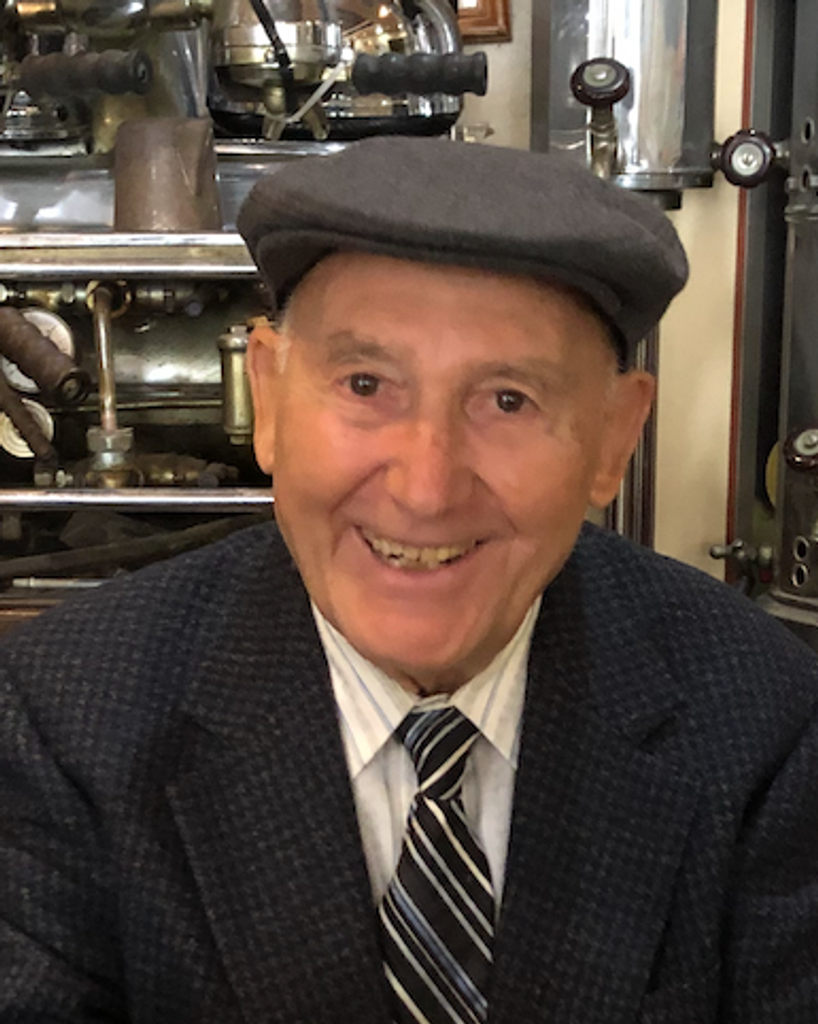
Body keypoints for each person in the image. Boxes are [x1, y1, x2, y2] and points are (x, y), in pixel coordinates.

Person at [1, 136, 817, 1024]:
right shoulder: (69, 717)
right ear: (266, 398)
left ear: (614, 439)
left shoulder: (762, 721)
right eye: (365, 384)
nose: (426, 489)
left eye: (508, 400)